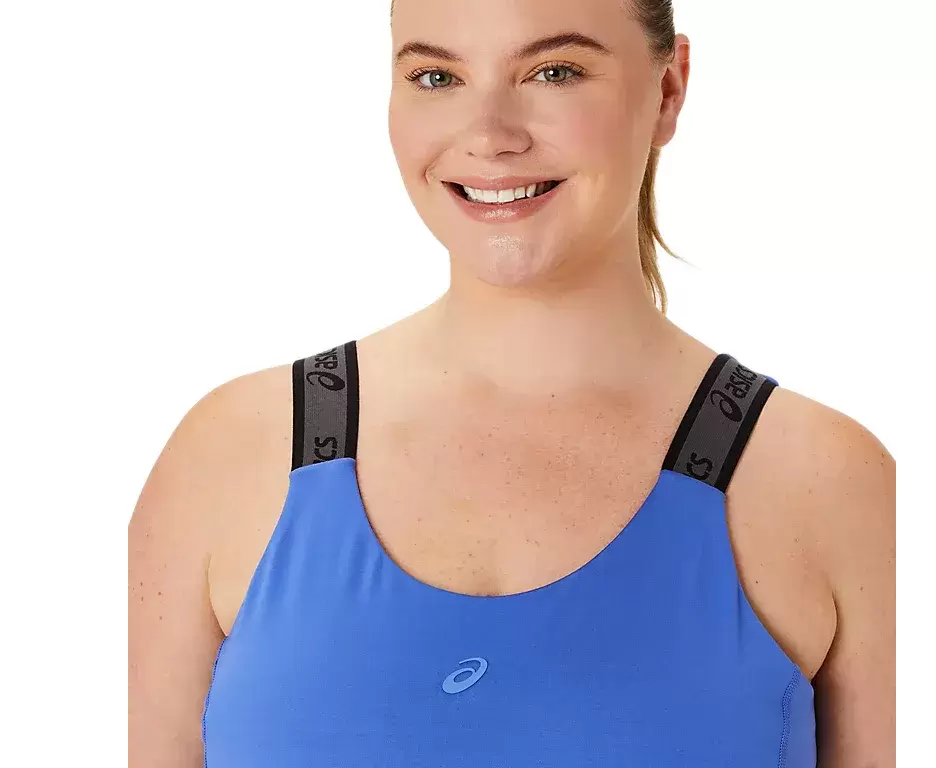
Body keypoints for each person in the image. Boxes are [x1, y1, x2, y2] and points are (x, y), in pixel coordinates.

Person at [128, 1, 896, 765]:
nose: (490, 135)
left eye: (554, 72)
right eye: (437, 77)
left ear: (668, 90)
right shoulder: (233, 455)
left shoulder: (827, 482)